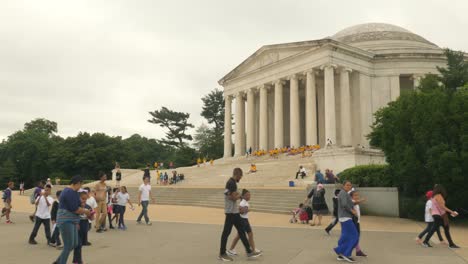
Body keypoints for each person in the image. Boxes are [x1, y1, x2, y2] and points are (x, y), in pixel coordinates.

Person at [218, 168, 262, 261]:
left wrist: (235, 195)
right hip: (231, 212)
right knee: (226, 232)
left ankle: (249, 251)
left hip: (233, 211)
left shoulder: (229, 182)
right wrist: (240, 196)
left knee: (241, 231)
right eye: (240, 176)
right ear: (237, 174)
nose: (240, 178)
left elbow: (227, 194)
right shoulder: (232, 183)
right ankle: (222, 253)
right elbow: (233, 197)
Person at [53, 176, 91, 264]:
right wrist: (86, 211)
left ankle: (58, 262)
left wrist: (83, 201)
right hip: (66, 220)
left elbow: (79, 206)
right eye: (80, 185)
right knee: (68, 245)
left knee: (74, 243)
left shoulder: (73, 192)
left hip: (71, 220)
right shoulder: (69, 192)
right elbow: (75, 209)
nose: (80, 187)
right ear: (77, 183)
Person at [227, 189, 262, 256]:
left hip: (245, 220)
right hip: (242, 220)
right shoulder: (242, 202)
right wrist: (247, 210)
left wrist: (246, 210)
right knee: (239, 236)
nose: (249, 196)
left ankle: (253, 249)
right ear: (243, 196)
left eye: (249, 195)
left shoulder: (245, 202)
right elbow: (240, 211)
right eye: (247, 195)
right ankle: (231, 250)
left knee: (250, 234)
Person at [333, 181, 359, 263]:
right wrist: (352, 211)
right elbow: (344, 204)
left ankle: (341, 253)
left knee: (345, 236)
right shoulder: (343, 193)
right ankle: (346, 254)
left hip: (344, 217)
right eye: (347, 185)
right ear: (343, 186)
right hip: (345, 217)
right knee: (354, 235)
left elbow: (350, 203)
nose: (349, 186)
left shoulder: (344, 193)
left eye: (350, 185)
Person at [72, 190, 94, 264]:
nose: (84, 200)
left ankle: (76, 260)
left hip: (85, 225)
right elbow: (72, 216)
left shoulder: (88, 207)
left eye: (85, 199)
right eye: (82, 198)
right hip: (77, 225)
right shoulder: (75, 207)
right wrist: (75, 223)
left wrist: (90, 215)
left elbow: (92, 218)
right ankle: (78, 261)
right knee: (78, 244)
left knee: (79, 244)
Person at [350, 190, 367, 257]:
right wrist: (361, 200)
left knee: (356, 237)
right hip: (354, 222)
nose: (357, 196)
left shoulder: (355, 202)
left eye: (357, 195)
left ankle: (358, 251)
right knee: (354, 237)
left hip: (357, 222)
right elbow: (354, 203)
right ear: (351, 196)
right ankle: (348, 251)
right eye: (355, 195)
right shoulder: (351, 201)